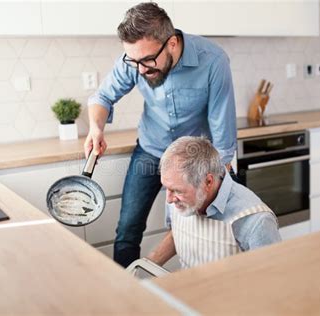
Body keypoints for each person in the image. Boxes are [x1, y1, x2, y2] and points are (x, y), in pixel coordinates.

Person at [85, 2, 237, 267]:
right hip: (151, 150)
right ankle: (125, 293)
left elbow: (221, 129)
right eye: (134, 61)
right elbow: (103, 97)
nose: (141, 69)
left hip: (194, 159)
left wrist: (222, 183)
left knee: (198, 225)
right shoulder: (136, 61)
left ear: (173, 44)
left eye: (147, 60)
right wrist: (96, 128)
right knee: (127, 229)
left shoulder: (213, 60)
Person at [147, 136, 281, 269]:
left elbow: (272, 277)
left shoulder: (256, 221)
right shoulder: (177, 193)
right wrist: (144, 266)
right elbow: (179, 233)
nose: (169, 199)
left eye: (177, 191)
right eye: (167, 188)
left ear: (208, 182)